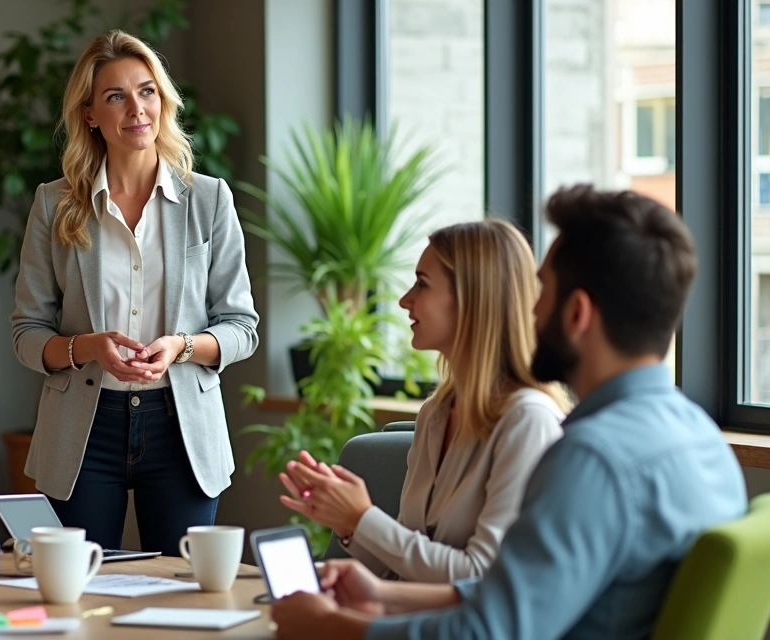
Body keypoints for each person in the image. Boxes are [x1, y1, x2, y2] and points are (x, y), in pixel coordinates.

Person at [271, 185, 748, 639]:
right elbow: (519, 593)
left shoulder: (592, 458)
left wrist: (335, 630)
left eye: (542, 293)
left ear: (577, 313)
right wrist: (385, 594)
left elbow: (491, 631)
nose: (528, 311)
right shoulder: (703, 439)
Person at [10, 29, 259, 556]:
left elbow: (242, 327)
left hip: (182, 428)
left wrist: (182, 347)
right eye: (115, 96)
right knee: (72, 591)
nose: (136, 108)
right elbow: (27, 334)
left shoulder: (209, 200)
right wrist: (87, 348)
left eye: (147, 91)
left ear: (163, 100)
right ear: (90, 114)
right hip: (82, 429)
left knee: (184, 598)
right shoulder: (55, 205)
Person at [279, 220, 568, 583]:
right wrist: (349, 524)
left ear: (473, 300)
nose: (404, 300)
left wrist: (363, 518)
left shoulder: (528, 422)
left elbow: (481, 579)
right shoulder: (437, 412)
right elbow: (403, 562)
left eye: (422, 284)